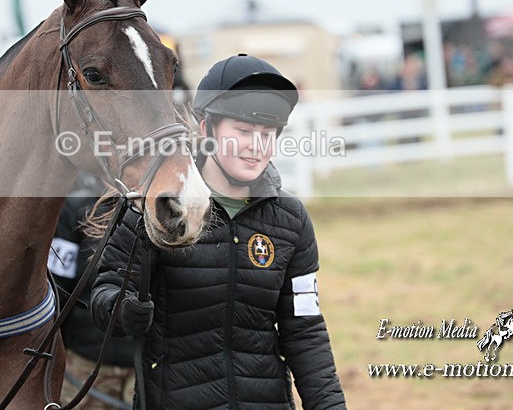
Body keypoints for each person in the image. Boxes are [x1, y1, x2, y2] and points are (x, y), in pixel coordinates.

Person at [91, 54, 347, 409]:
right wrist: (120, 310)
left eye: (267, 134)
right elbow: (106, 290)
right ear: (206, 130)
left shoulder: (291, 220)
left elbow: (305, 331)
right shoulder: (160, 206)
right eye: (242, 132)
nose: (257, 146)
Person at [50, 171, 135, 409]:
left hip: (145, 367)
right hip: (83, 368)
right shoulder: (77, 209)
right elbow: (59, 288)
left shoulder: (162, 208)